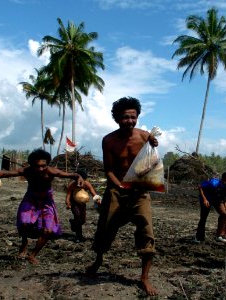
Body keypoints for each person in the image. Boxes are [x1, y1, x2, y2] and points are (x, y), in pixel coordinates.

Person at [85, 97, 159, 296]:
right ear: (117, 119)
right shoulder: (109, 140)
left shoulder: (144, 137)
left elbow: (151, 162)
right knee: (105, 228)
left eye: (133, 117)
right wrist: (119, 185)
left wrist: (154, 144)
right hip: (116, 190)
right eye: (125, 117)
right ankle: (98, 261)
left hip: (139, 192)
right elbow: (108, 170)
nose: (130, 121)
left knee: (146, 230)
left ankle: (144, 277)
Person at [0, 149, 84, 265]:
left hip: (47, 201)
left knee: (48, 230)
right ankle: (24, 243)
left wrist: (78, 176)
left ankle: (32, 255)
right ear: (31, 165)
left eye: (44, 166)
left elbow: (69, 175)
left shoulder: (51, 171)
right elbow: (7, 173)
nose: (41, 169)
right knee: (24, 223)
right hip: (30, 198)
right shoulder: (27, 171)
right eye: (37, 166)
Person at [195, 172, 226, 244]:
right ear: (224, 180)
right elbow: (200, 186)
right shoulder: (214, 183)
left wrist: (225, 202)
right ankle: (198, 237)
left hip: (217, 199)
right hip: (207, 199)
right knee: (203, 218)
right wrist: (204, 199)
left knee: (223, 214)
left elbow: (223, 194)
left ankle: (220, 235)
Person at [65, 168, 102, 242]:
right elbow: (68, 196)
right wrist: (68, 203)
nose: (79, 182)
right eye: (77, 180)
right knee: (78, 217)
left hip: (82, 204)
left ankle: (73, 222)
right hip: (74, 203)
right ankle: (79, 237)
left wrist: (98, 200)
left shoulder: (87, 184)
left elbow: (93, 193)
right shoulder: (72, 185)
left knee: (82, 220)